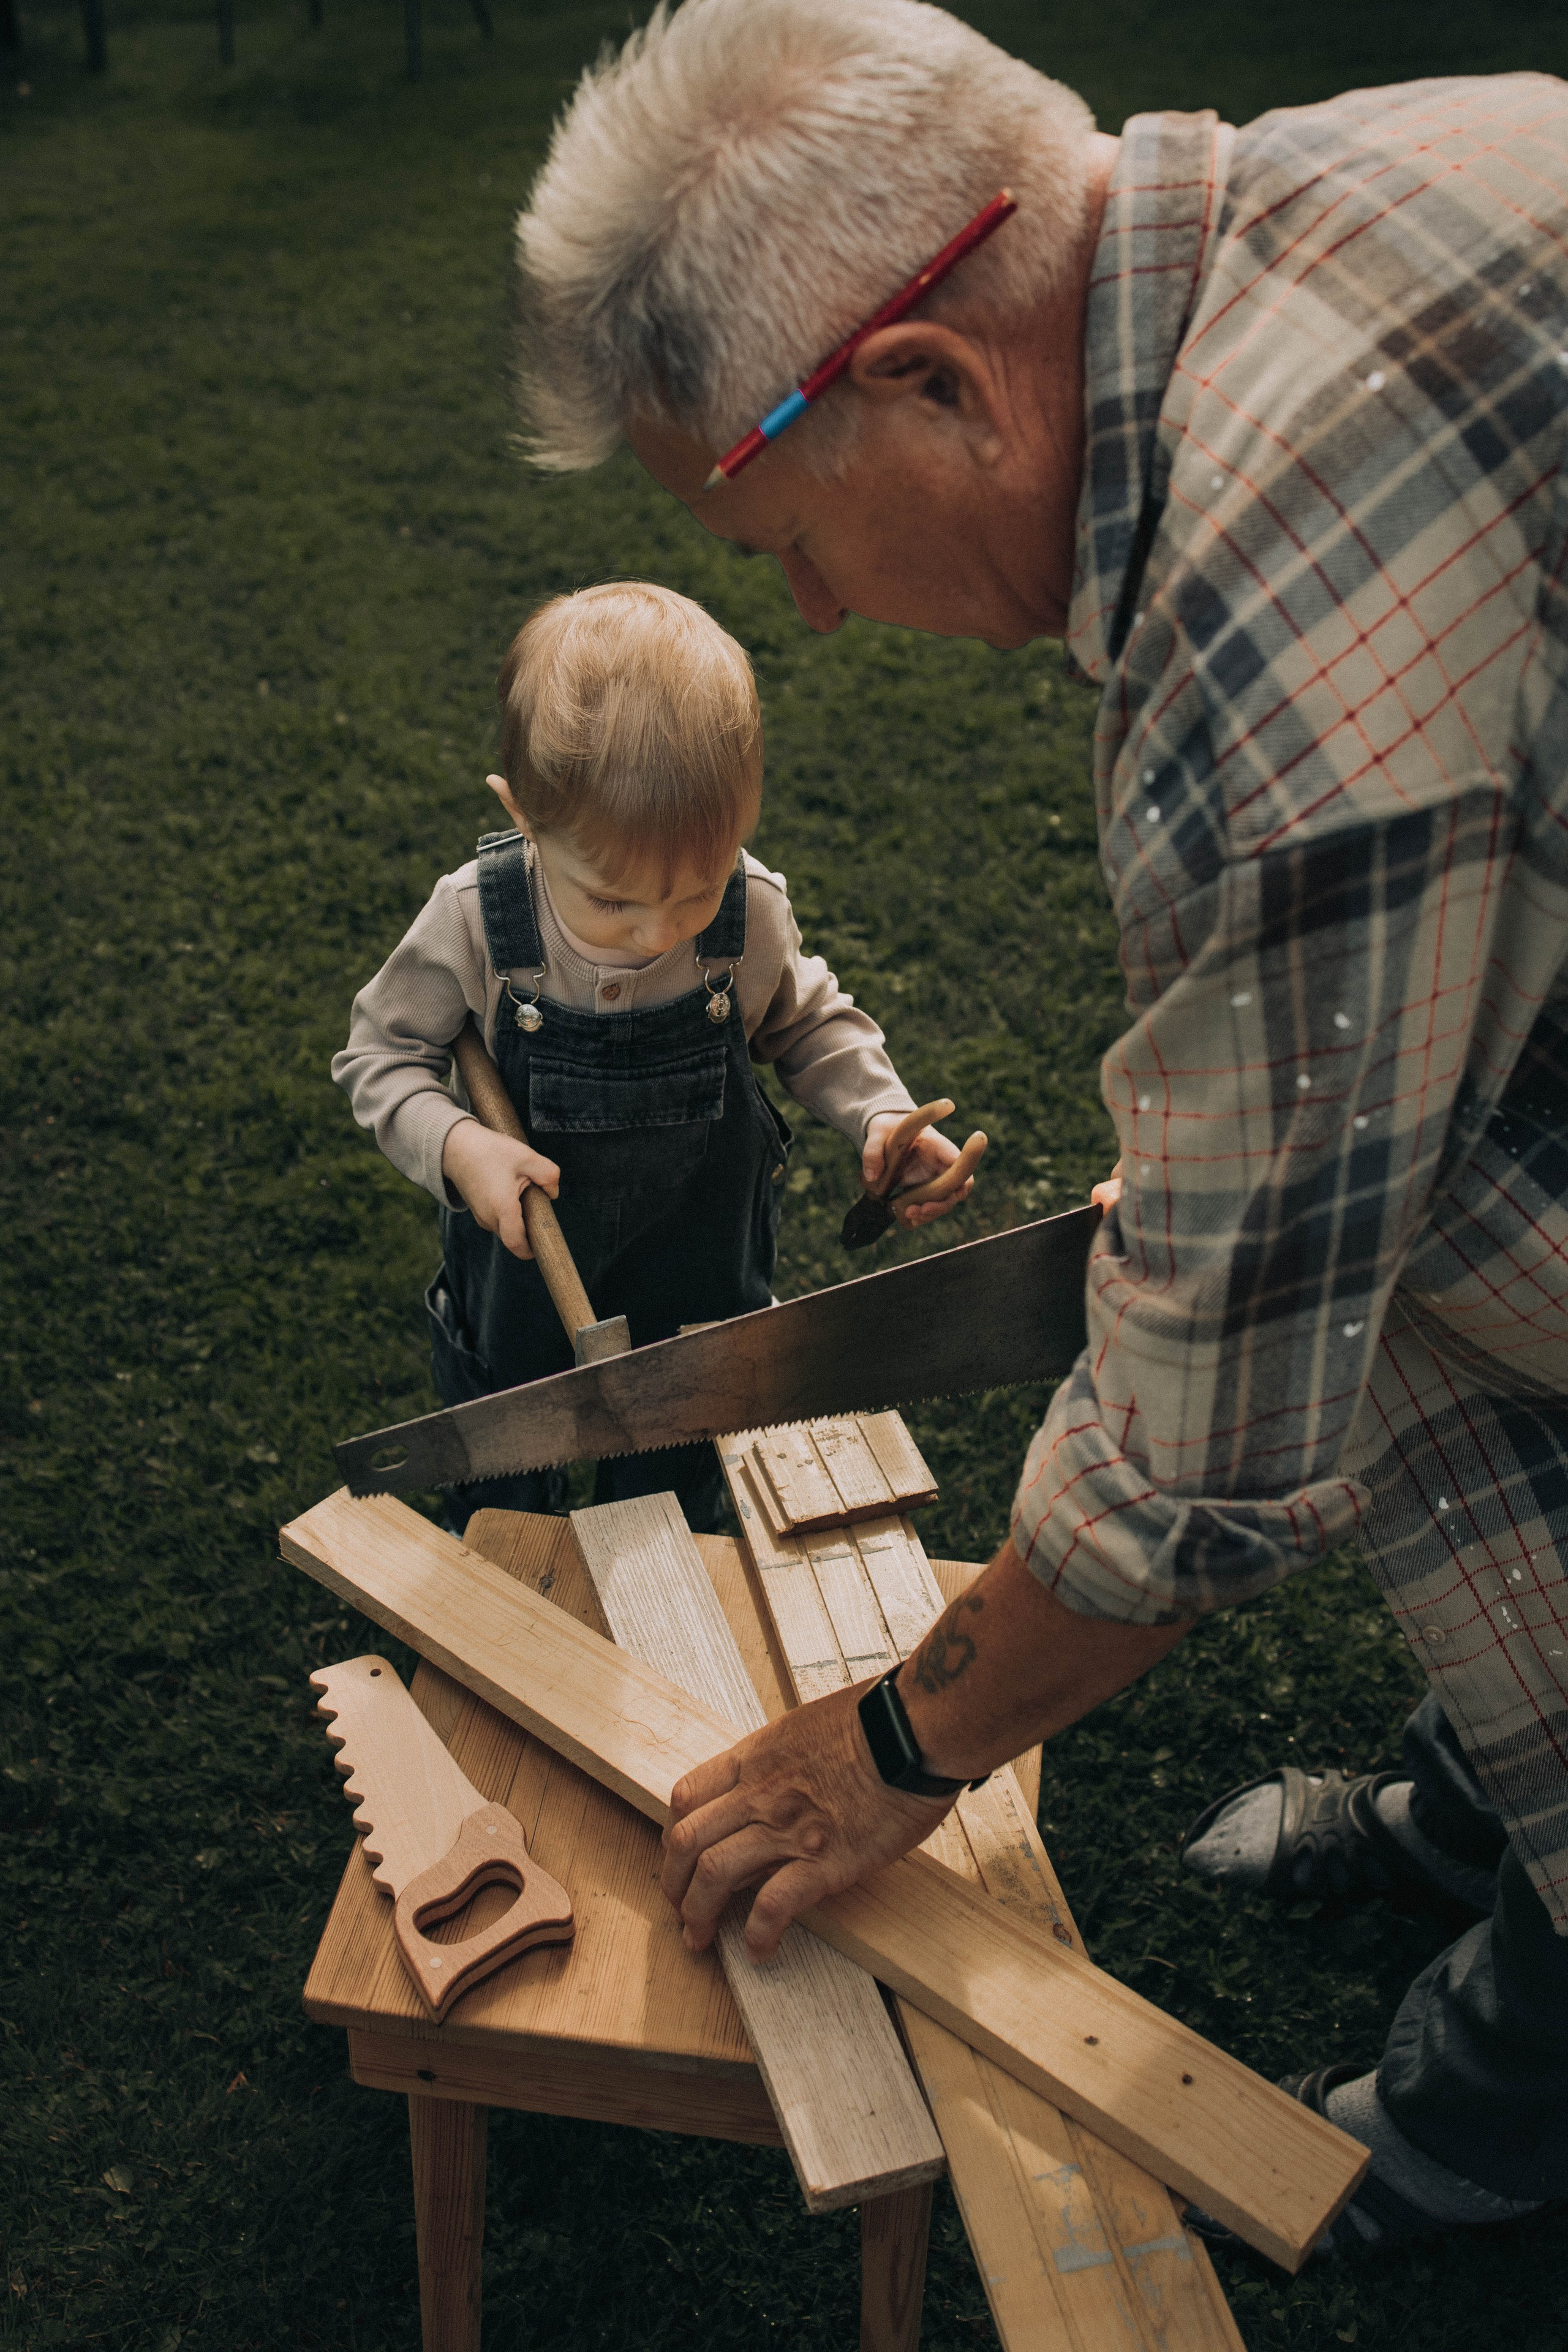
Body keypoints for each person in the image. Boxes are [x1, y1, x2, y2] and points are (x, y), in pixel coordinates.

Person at [507, 0, 1568, 2253]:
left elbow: (1201, 1451)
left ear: (930, 379)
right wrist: (1250, 1193)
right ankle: (1498, 1807)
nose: (803, 607)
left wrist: (883, 1751)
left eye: (784, 538)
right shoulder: (1398, 157)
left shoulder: (1272, 665)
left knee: (1393, 1280)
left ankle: (1501, 2094)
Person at [333, 581, 980, 1533]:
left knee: (673, 1494)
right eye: (612, 902)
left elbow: (805, 1022)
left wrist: (878, 1112)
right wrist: (459, 1147)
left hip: (697, 1292)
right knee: (507, 1488)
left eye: (693, 893)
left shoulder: (746, 910)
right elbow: (379, 1057)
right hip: (524, 1291)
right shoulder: (478, 918)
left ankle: (657, 1612)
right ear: (524, 814)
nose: (656, 932)